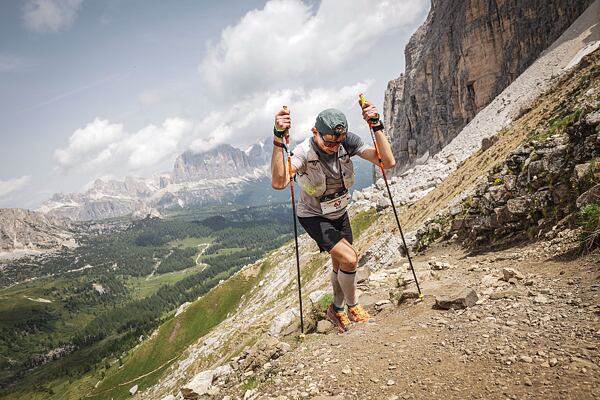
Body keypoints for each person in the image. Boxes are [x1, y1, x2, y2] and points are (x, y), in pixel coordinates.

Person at [270, 98, 396, 332]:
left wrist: (376, 125)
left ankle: (335, 310)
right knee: (350, 259)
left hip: (339, 211)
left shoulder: (346, 142)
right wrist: (278, 138)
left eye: (338, 142)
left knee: (340, 263)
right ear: (315, 132)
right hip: (313, 216)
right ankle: (353, 306)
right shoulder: (303, 152)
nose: (333, 147)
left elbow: (387, 162)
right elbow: (279, 182)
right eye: (328, 142)